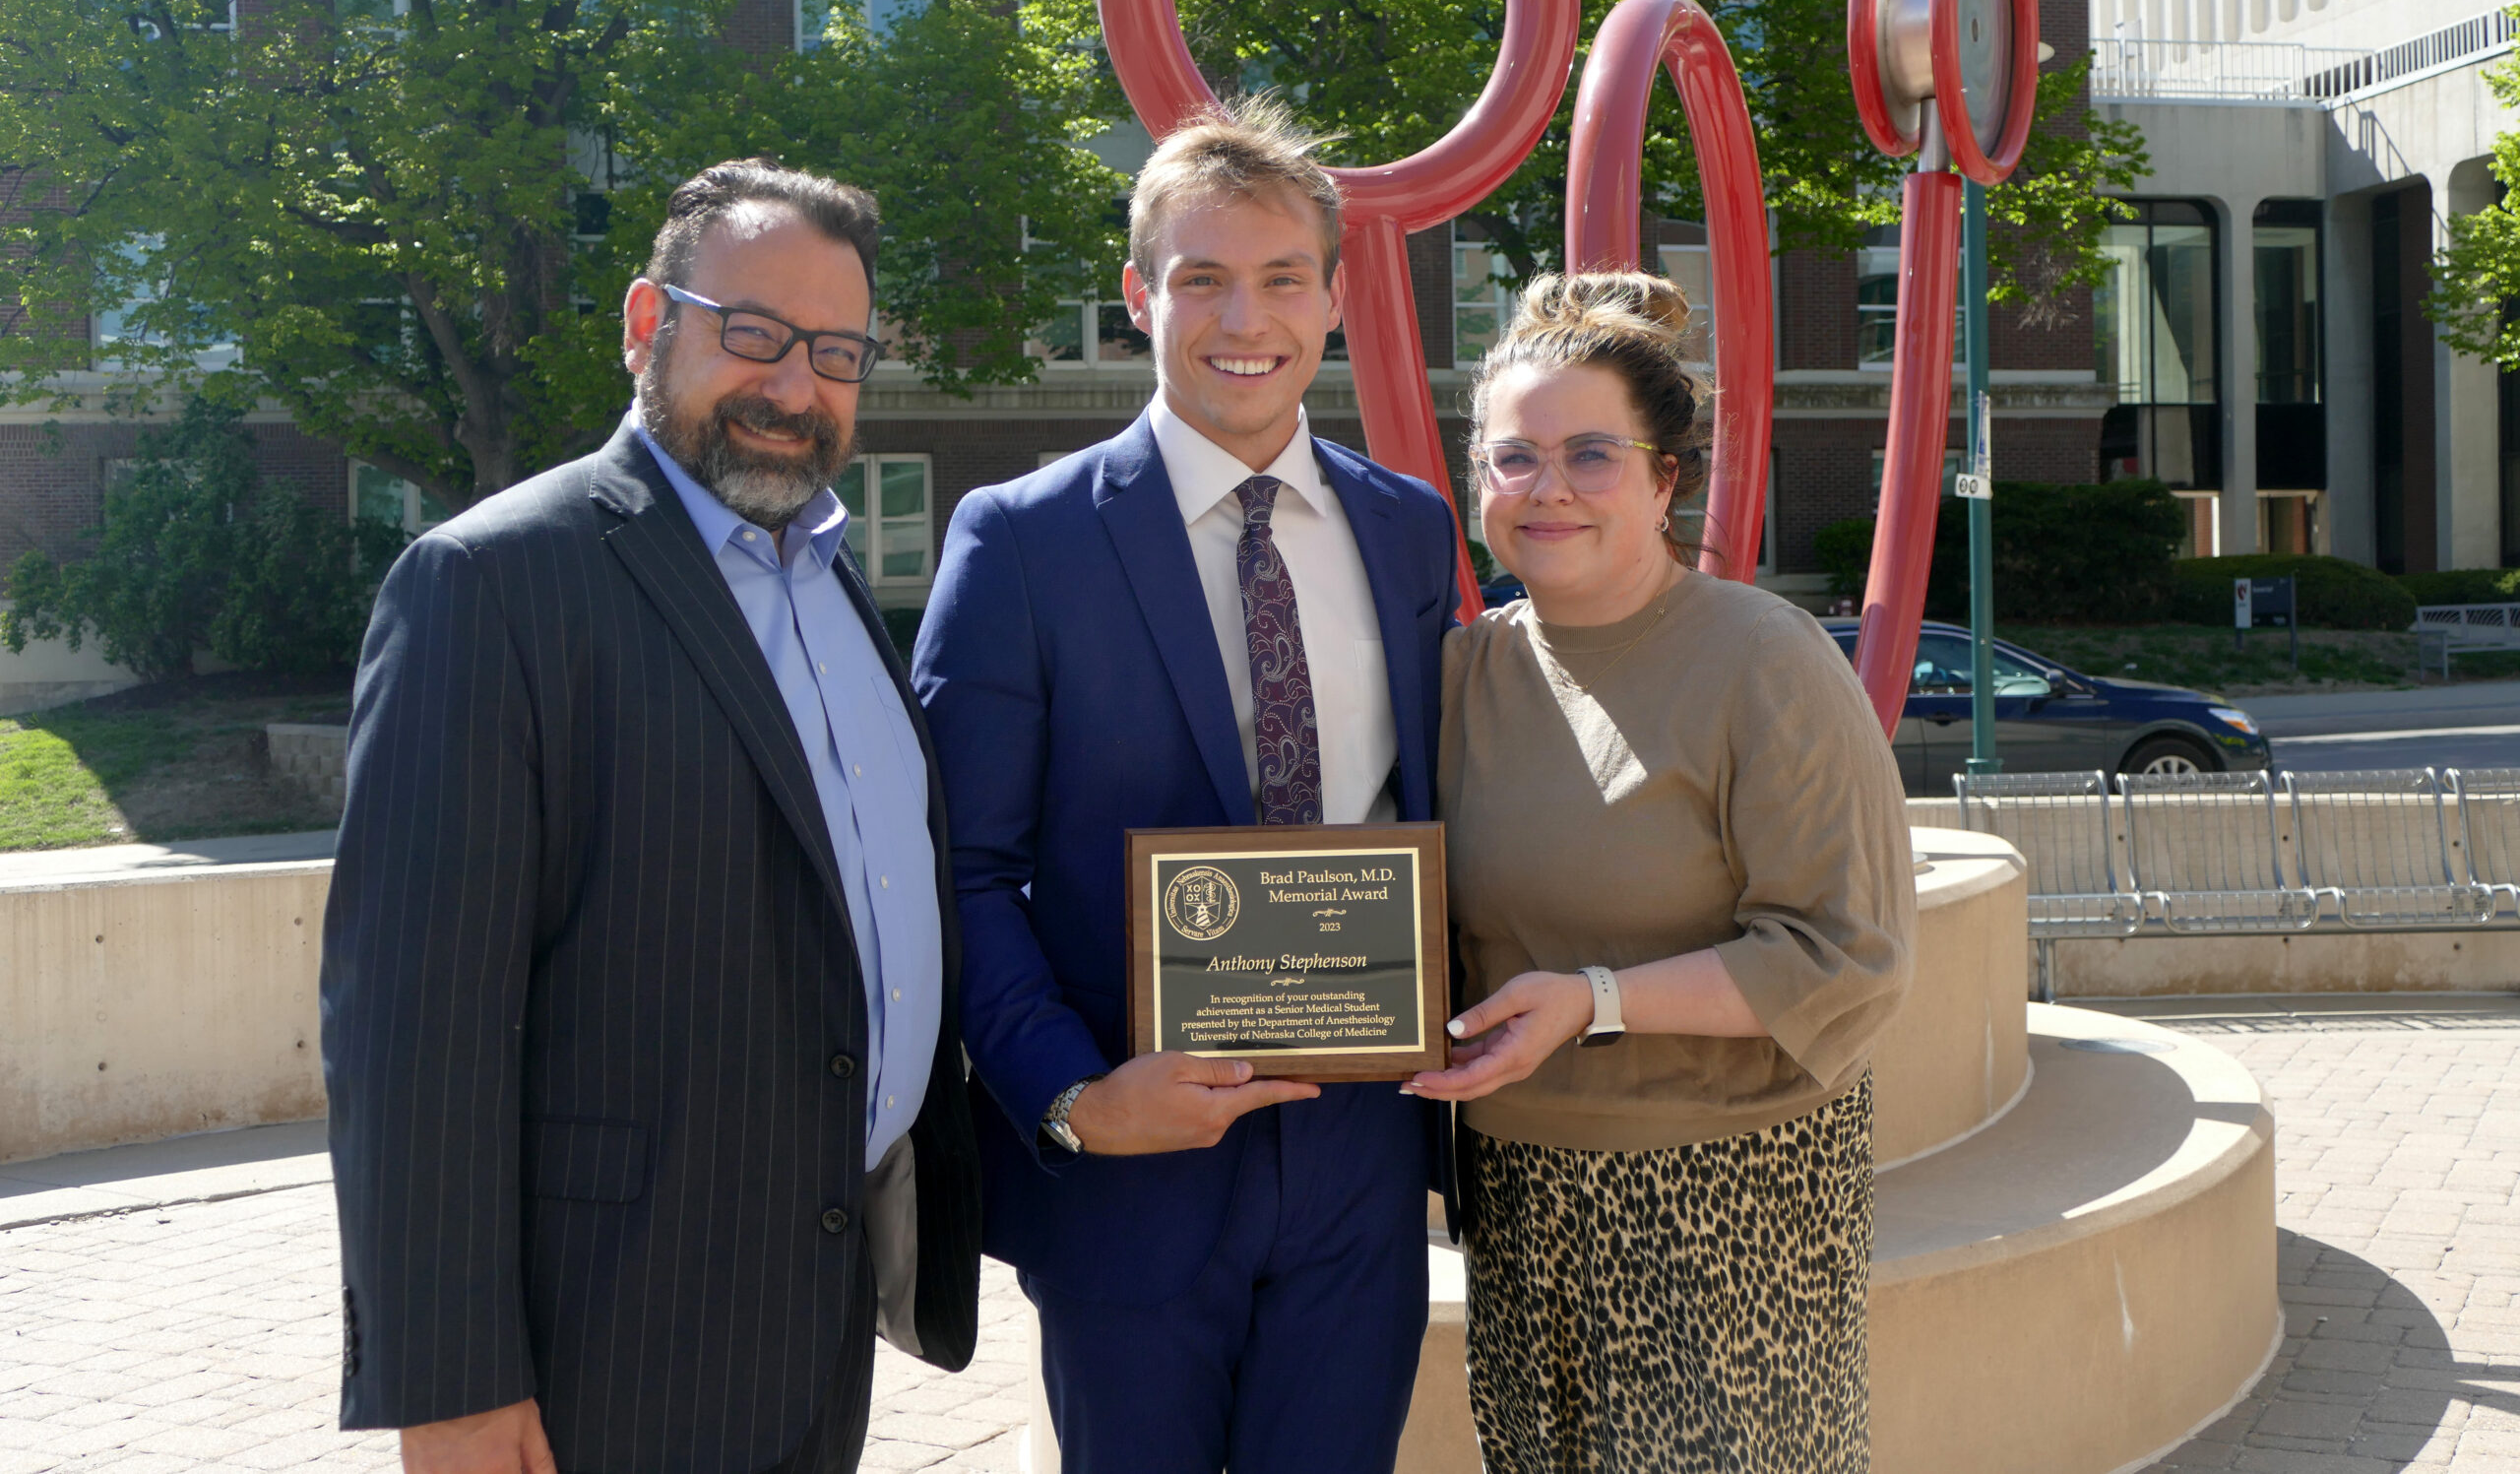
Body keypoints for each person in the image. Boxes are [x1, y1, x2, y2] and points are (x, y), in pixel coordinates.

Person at [322, 159, 982, 1474]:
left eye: (838, 352)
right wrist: (447, 1379)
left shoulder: (836, 585)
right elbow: (410, 1024)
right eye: (754, 334)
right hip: (602, 1345)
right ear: (647, 323)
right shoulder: (489, 586)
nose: (796, 386)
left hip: (813, 1321)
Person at [912, 97, 1459, 1474]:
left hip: (1362, 1162)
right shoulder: (1020, 541)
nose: (1243, 316)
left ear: (1333, 298)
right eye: (1201, 276)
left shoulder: (1410, 529)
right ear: (1137, 295)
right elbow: (958, 866)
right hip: (1133, 1164)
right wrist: (1075, 1097)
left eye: (1282, 277)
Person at [1404, 272, 1915, 1472]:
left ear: (1664, 478)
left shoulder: (1762, 660)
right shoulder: (1458, 675)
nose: (1548, 490)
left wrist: (1598, 1000)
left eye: (1591, 454)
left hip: (1726, 1195)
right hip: (1521, 1191)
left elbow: (1846, 957)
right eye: (1512, 458)